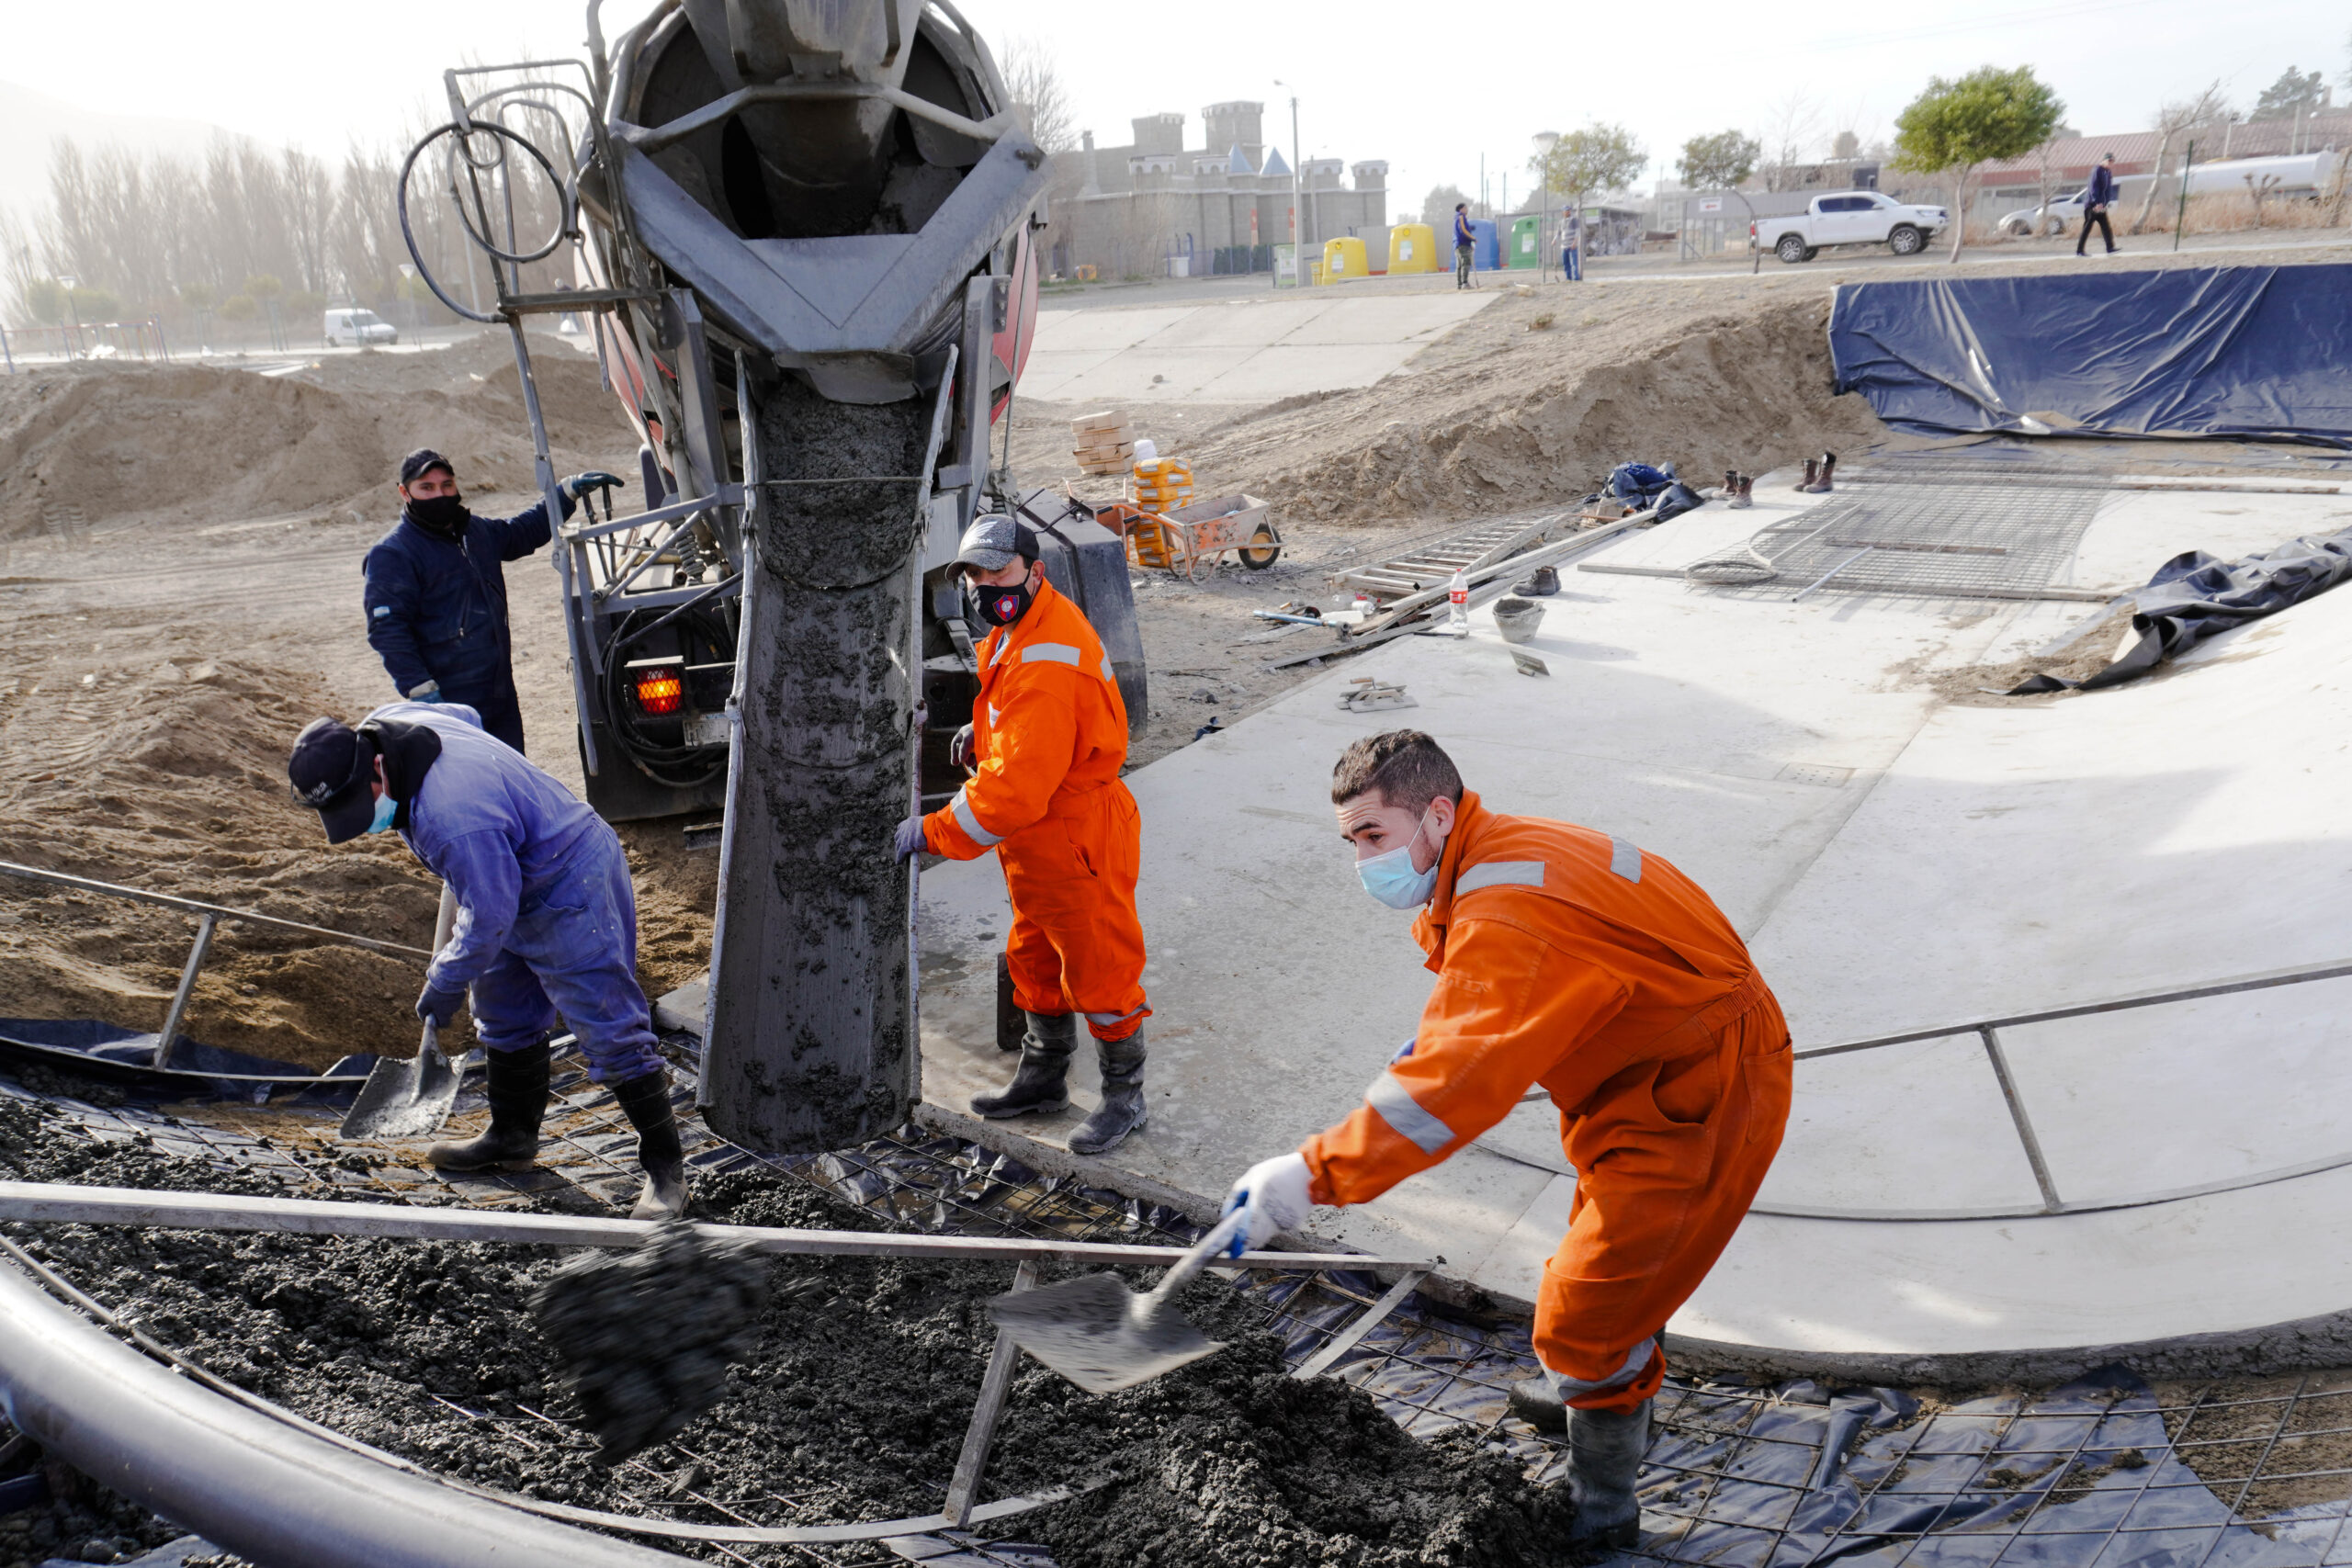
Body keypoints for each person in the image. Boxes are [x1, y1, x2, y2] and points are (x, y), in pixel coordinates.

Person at [1218, 730, 1792, 1548]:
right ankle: (1601, 1385)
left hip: (1701, 1089)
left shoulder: (1512, 909)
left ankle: (1602, 1517)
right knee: (1615, 1270)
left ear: (1438, 813)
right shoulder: (1501, 849)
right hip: (1643, 1068)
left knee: (1585, 1312)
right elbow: (1466, 1028)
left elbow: (1450, 1087)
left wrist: (1311, 1175)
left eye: (1373, 836)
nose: (1363, 862)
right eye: (1351, 841)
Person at [287, 698, 686, 1218]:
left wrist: (447, 977)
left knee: (609, 1028)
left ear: (376, 767)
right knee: (503, 1012)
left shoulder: (452, 819)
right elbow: (469, 716)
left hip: (566, 877)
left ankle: (665, 1172)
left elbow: (489, 915)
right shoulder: (392, 721)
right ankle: (512, 1137)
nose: (362, 824)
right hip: (499, 869)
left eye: (359, 806)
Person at [893, 514, 1151, 1156]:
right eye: (974, 575)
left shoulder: (1045, 659)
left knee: (1099, 964)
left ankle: (1125, 1096)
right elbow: (1023, 726)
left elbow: (1012, 791)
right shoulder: (1024, 626)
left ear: (1035, 571)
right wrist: (982, 735)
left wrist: (933, 831)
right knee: (1035, 955)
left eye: (998, 571)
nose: (985, 585)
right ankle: (1042, 1078)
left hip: (1073, 833)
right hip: (1042, 840)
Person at [362, 448, 617, 754]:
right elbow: (387, 630)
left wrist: (564, 494)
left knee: (510, 773)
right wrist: (422, 691)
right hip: (449, 698)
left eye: (446, 485)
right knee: (471, 785)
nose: (439, 495)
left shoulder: (473, 532)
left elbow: (521, 533)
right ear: (405, 492)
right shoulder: (393, 554)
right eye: (426, 488)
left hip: (499, 692)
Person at [2076, 152, 2120, 257]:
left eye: (2112, 161)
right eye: (2109, 161)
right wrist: (2097, 202)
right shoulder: (2097, 170)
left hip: (2101, 205)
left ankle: (2110, 248)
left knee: (2106, 226)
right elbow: (2093, 187)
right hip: (2093, 205)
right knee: (2087, 227)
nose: (2111, 163)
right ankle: (2080, 251)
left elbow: (2108, 189)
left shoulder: (2108, 172)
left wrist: (2105, 203)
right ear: (2104, 160)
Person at [1453, 202, 1477, 290]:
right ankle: (1465, 283)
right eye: (1466, 208)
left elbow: (1463, 229)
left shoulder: (1456, 218)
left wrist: (1470, 229)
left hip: (1457, 244)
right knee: (1466, 263)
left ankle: (1459, 285)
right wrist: (1473, 238)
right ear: (1461, 209)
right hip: (1463, 243)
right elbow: (1463, 230)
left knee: (1459, 265)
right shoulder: (1461, 217)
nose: (1467, 210)